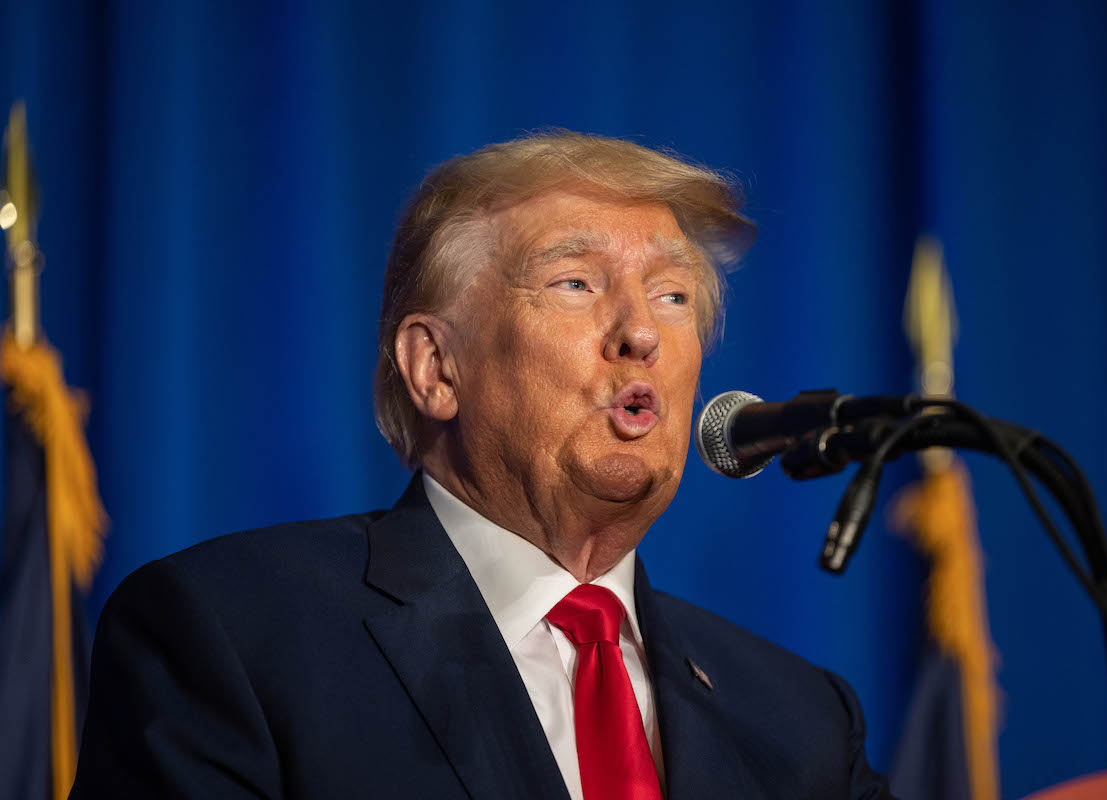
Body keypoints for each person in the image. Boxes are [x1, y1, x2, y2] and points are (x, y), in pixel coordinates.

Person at [71, 131, 895, 799]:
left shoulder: (798, 719)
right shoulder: (231, 636)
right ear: (435, 367)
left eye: (673, 296)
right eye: (575, 283)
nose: (640, 333)